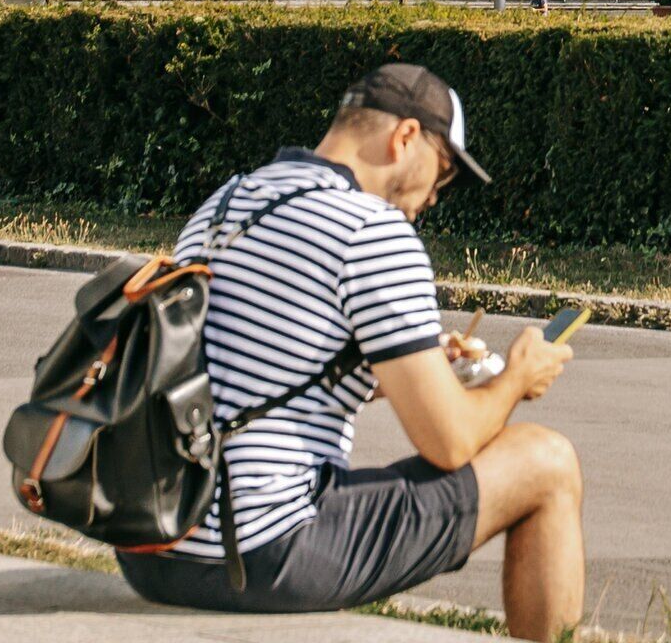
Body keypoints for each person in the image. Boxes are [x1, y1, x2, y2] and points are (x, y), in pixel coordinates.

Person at [118, 63, 585, 633]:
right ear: (405, 137)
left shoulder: (225, 204)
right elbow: (451, 442)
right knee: (547, 461)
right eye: (441, 173)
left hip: (155, 547)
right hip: (263, 553)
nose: (434, 197)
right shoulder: (374, 230)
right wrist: (516, 376)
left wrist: (413, 368)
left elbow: (254, 376)